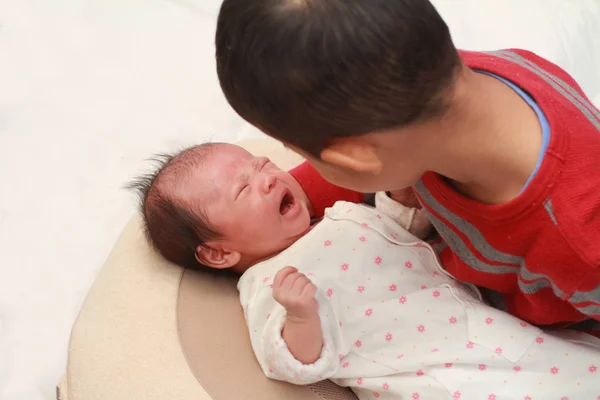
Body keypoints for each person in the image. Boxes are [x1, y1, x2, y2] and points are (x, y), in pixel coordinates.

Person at [215, 0, 600, 335]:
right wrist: (252, 236)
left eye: (294, 150)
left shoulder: (580, 242)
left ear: (357, 158)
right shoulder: (429, 77)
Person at [129, 142, 600, 399]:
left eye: (262, 163)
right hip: (434, 375)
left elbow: (400, 235)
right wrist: (299, 317)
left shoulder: (336, 216)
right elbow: (290, 361)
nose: (268, 176)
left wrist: (401, 197)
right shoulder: (268, 283)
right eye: (243, 188)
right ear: (218, 254)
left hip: (486, 328)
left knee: (578, 370)